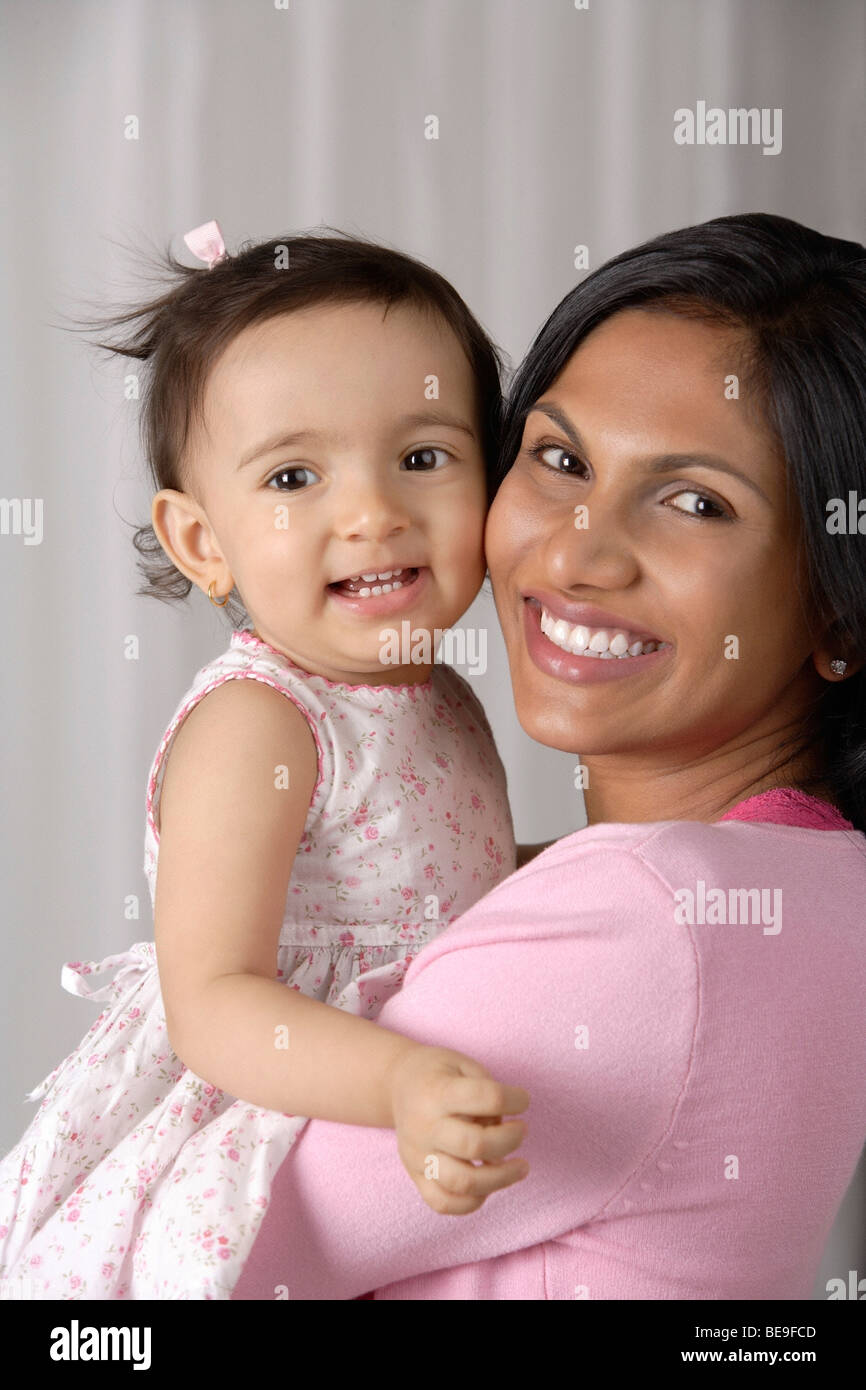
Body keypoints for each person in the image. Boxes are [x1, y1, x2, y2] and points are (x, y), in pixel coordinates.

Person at [232, 213, 866, 1301]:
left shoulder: (647, 915)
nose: (575, 549)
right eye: (560, 457)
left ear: (838, 613)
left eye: (693, 501)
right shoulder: (816, 882)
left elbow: (173, 1261)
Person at [0, 223, 528, 1299]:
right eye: (294, 475)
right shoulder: (261, 723)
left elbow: (448, 886)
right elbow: (215, 1000)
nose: (372, 513)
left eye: (422, 457)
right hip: (267, 1098)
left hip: (411, 1102)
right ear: (203, 543)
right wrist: (397, 1080)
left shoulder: (439, 690)